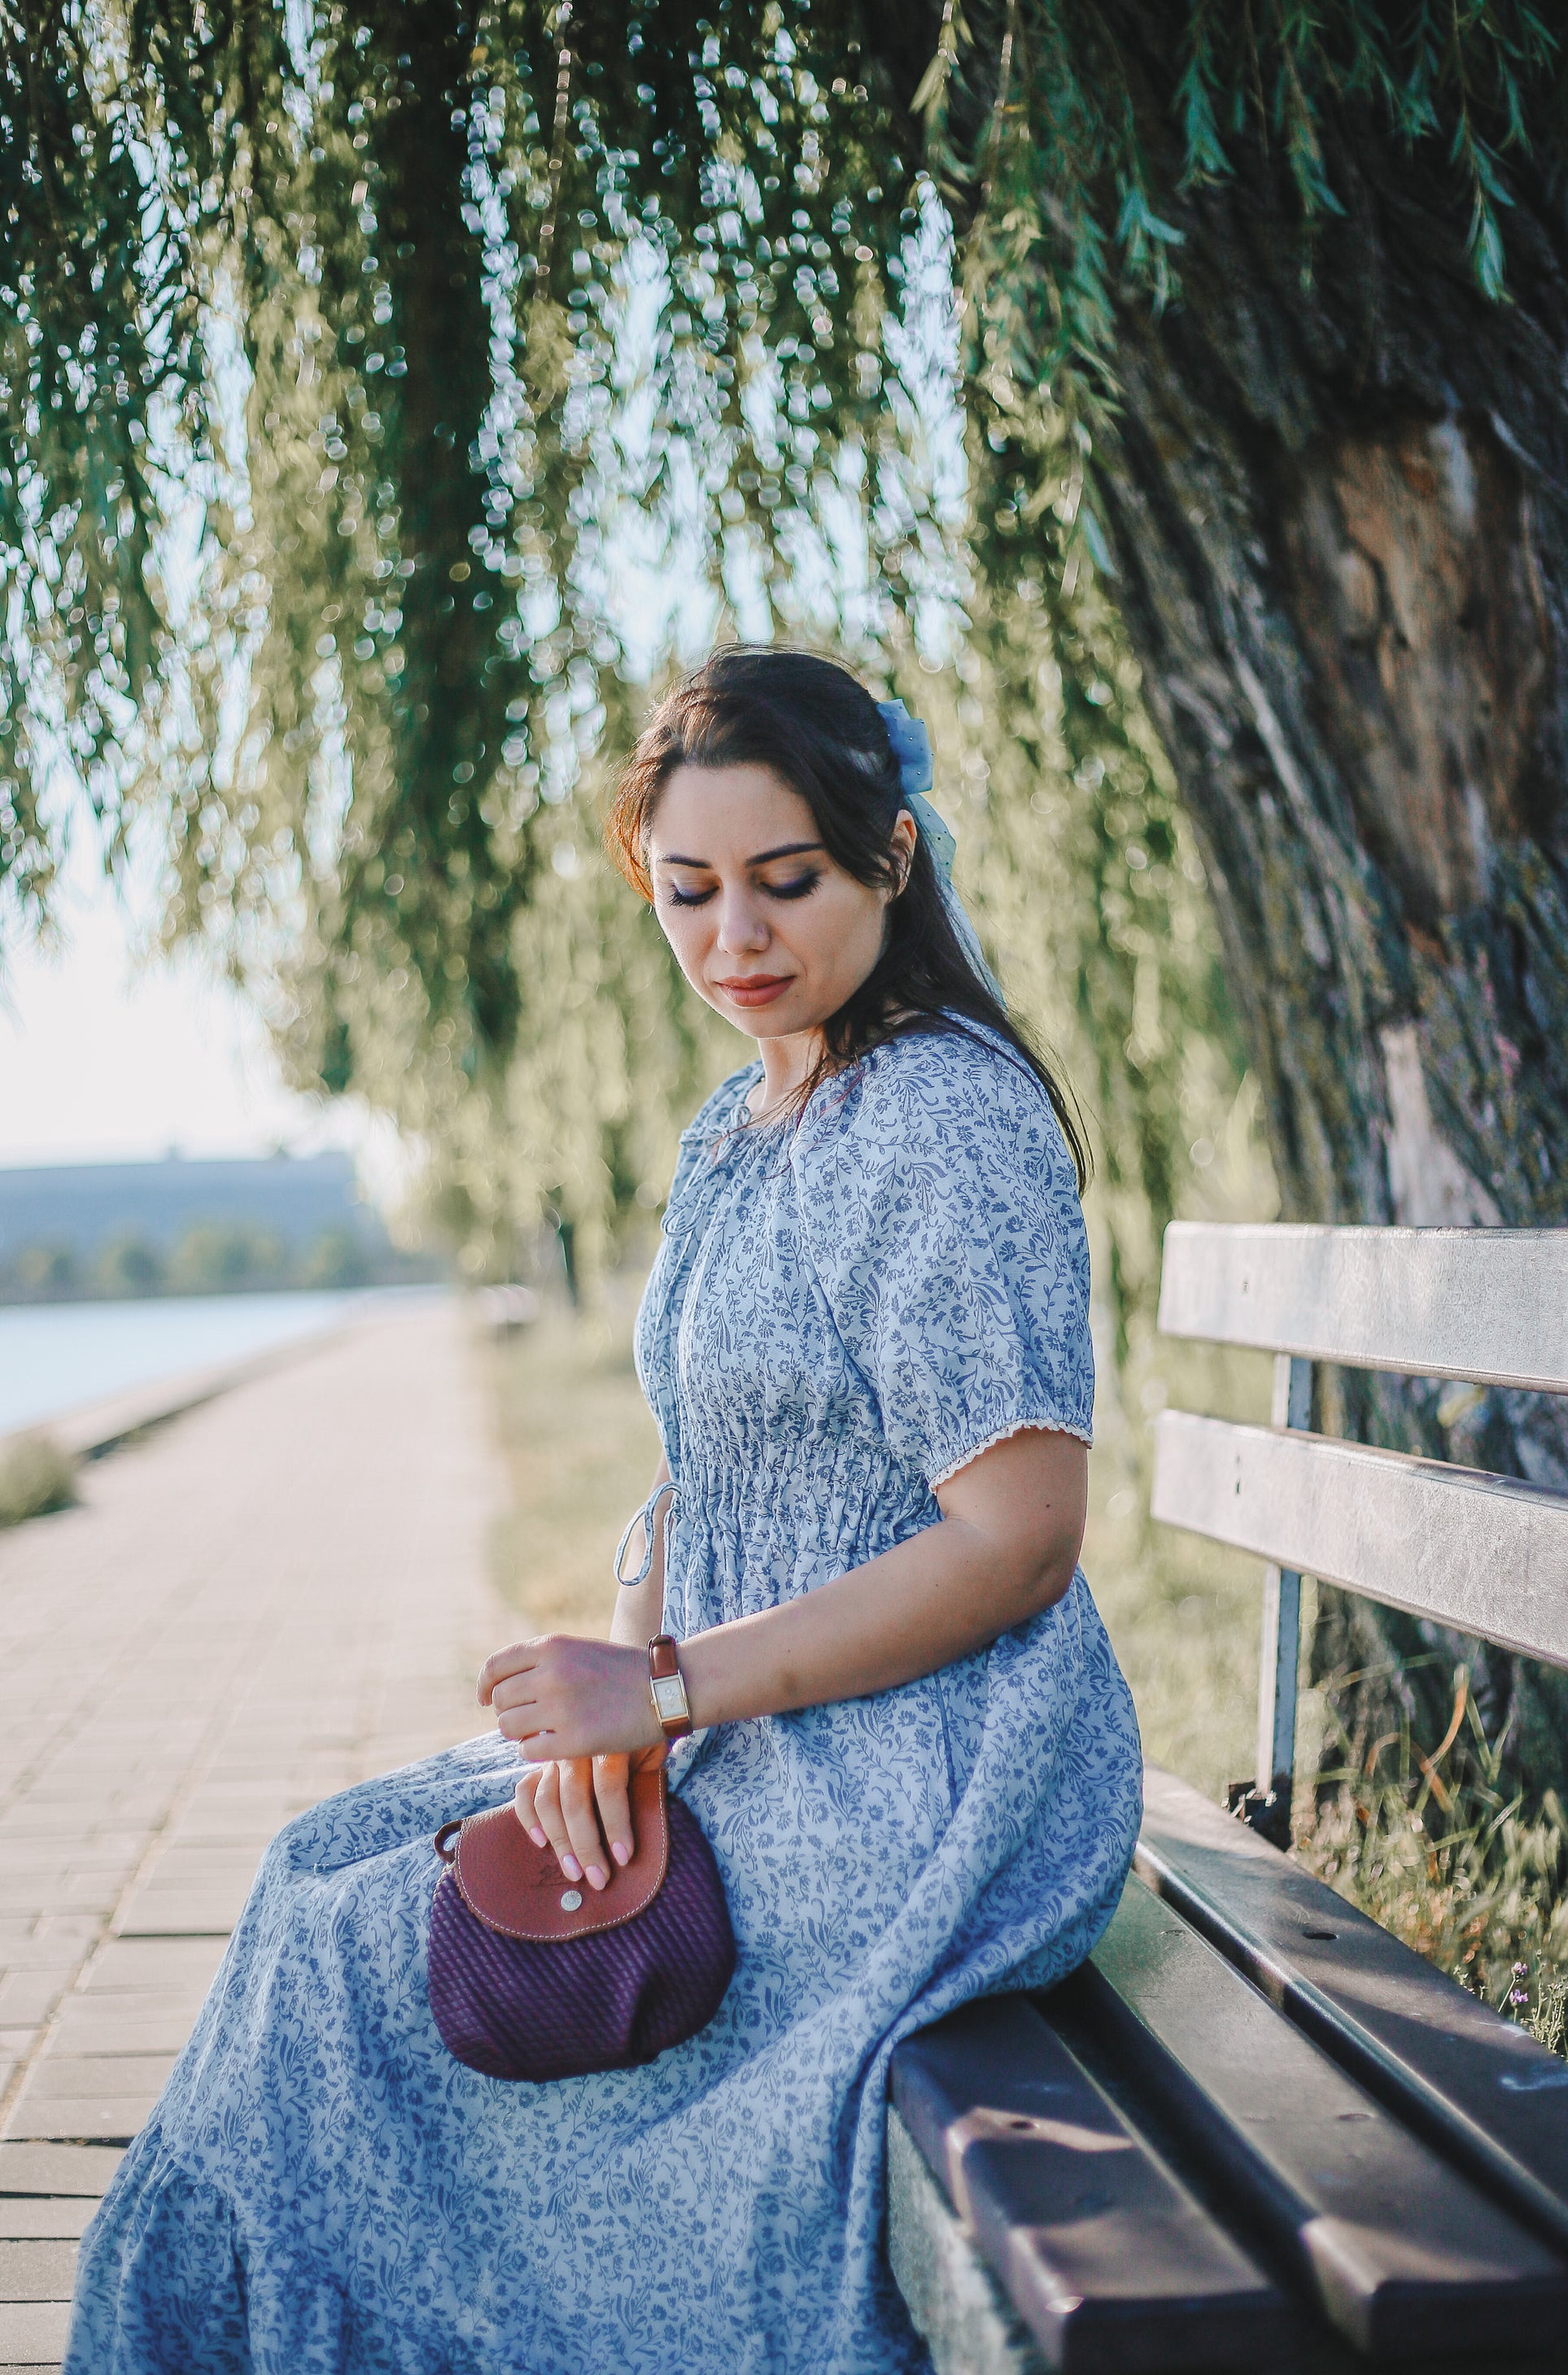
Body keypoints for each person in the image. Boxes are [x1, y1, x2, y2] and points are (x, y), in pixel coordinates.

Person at [64, 647, 1142, 2374]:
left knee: (362, 1975)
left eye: (786, 881)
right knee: (313, 1871)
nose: (736, 940)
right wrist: (622, 1660)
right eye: (691, 892)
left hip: (928, 1767)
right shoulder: (755, 1112)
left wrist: (661, 1695)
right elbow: (702, 1459)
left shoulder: (938, 1113)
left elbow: (1017, 1538)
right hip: (747, 1719)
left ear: (891, 856)